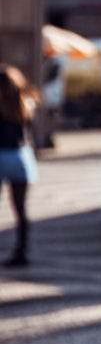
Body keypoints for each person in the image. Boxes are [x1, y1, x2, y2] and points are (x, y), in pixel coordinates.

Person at [0, 64, 39, 267]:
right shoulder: (26, 102)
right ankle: (21, 252)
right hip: (21, 156)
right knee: (20, 209)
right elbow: (33, 133)